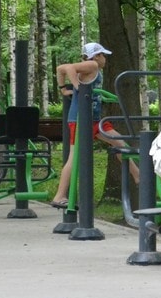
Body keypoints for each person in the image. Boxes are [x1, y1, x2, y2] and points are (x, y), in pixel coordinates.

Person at [50, 42, 139, 208]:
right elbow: (68, 68)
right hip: (81, 119)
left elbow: (60, 68)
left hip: (94, 119)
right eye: (103, 55)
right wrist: (78, 89)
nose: (105, 59)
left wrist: (63, 88)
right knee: (74, 157)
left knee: (119, 141)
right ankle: (59, 195)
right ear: (96, 56)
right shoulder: (91, 65)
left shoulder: (90, 68)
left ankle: (137, 175)